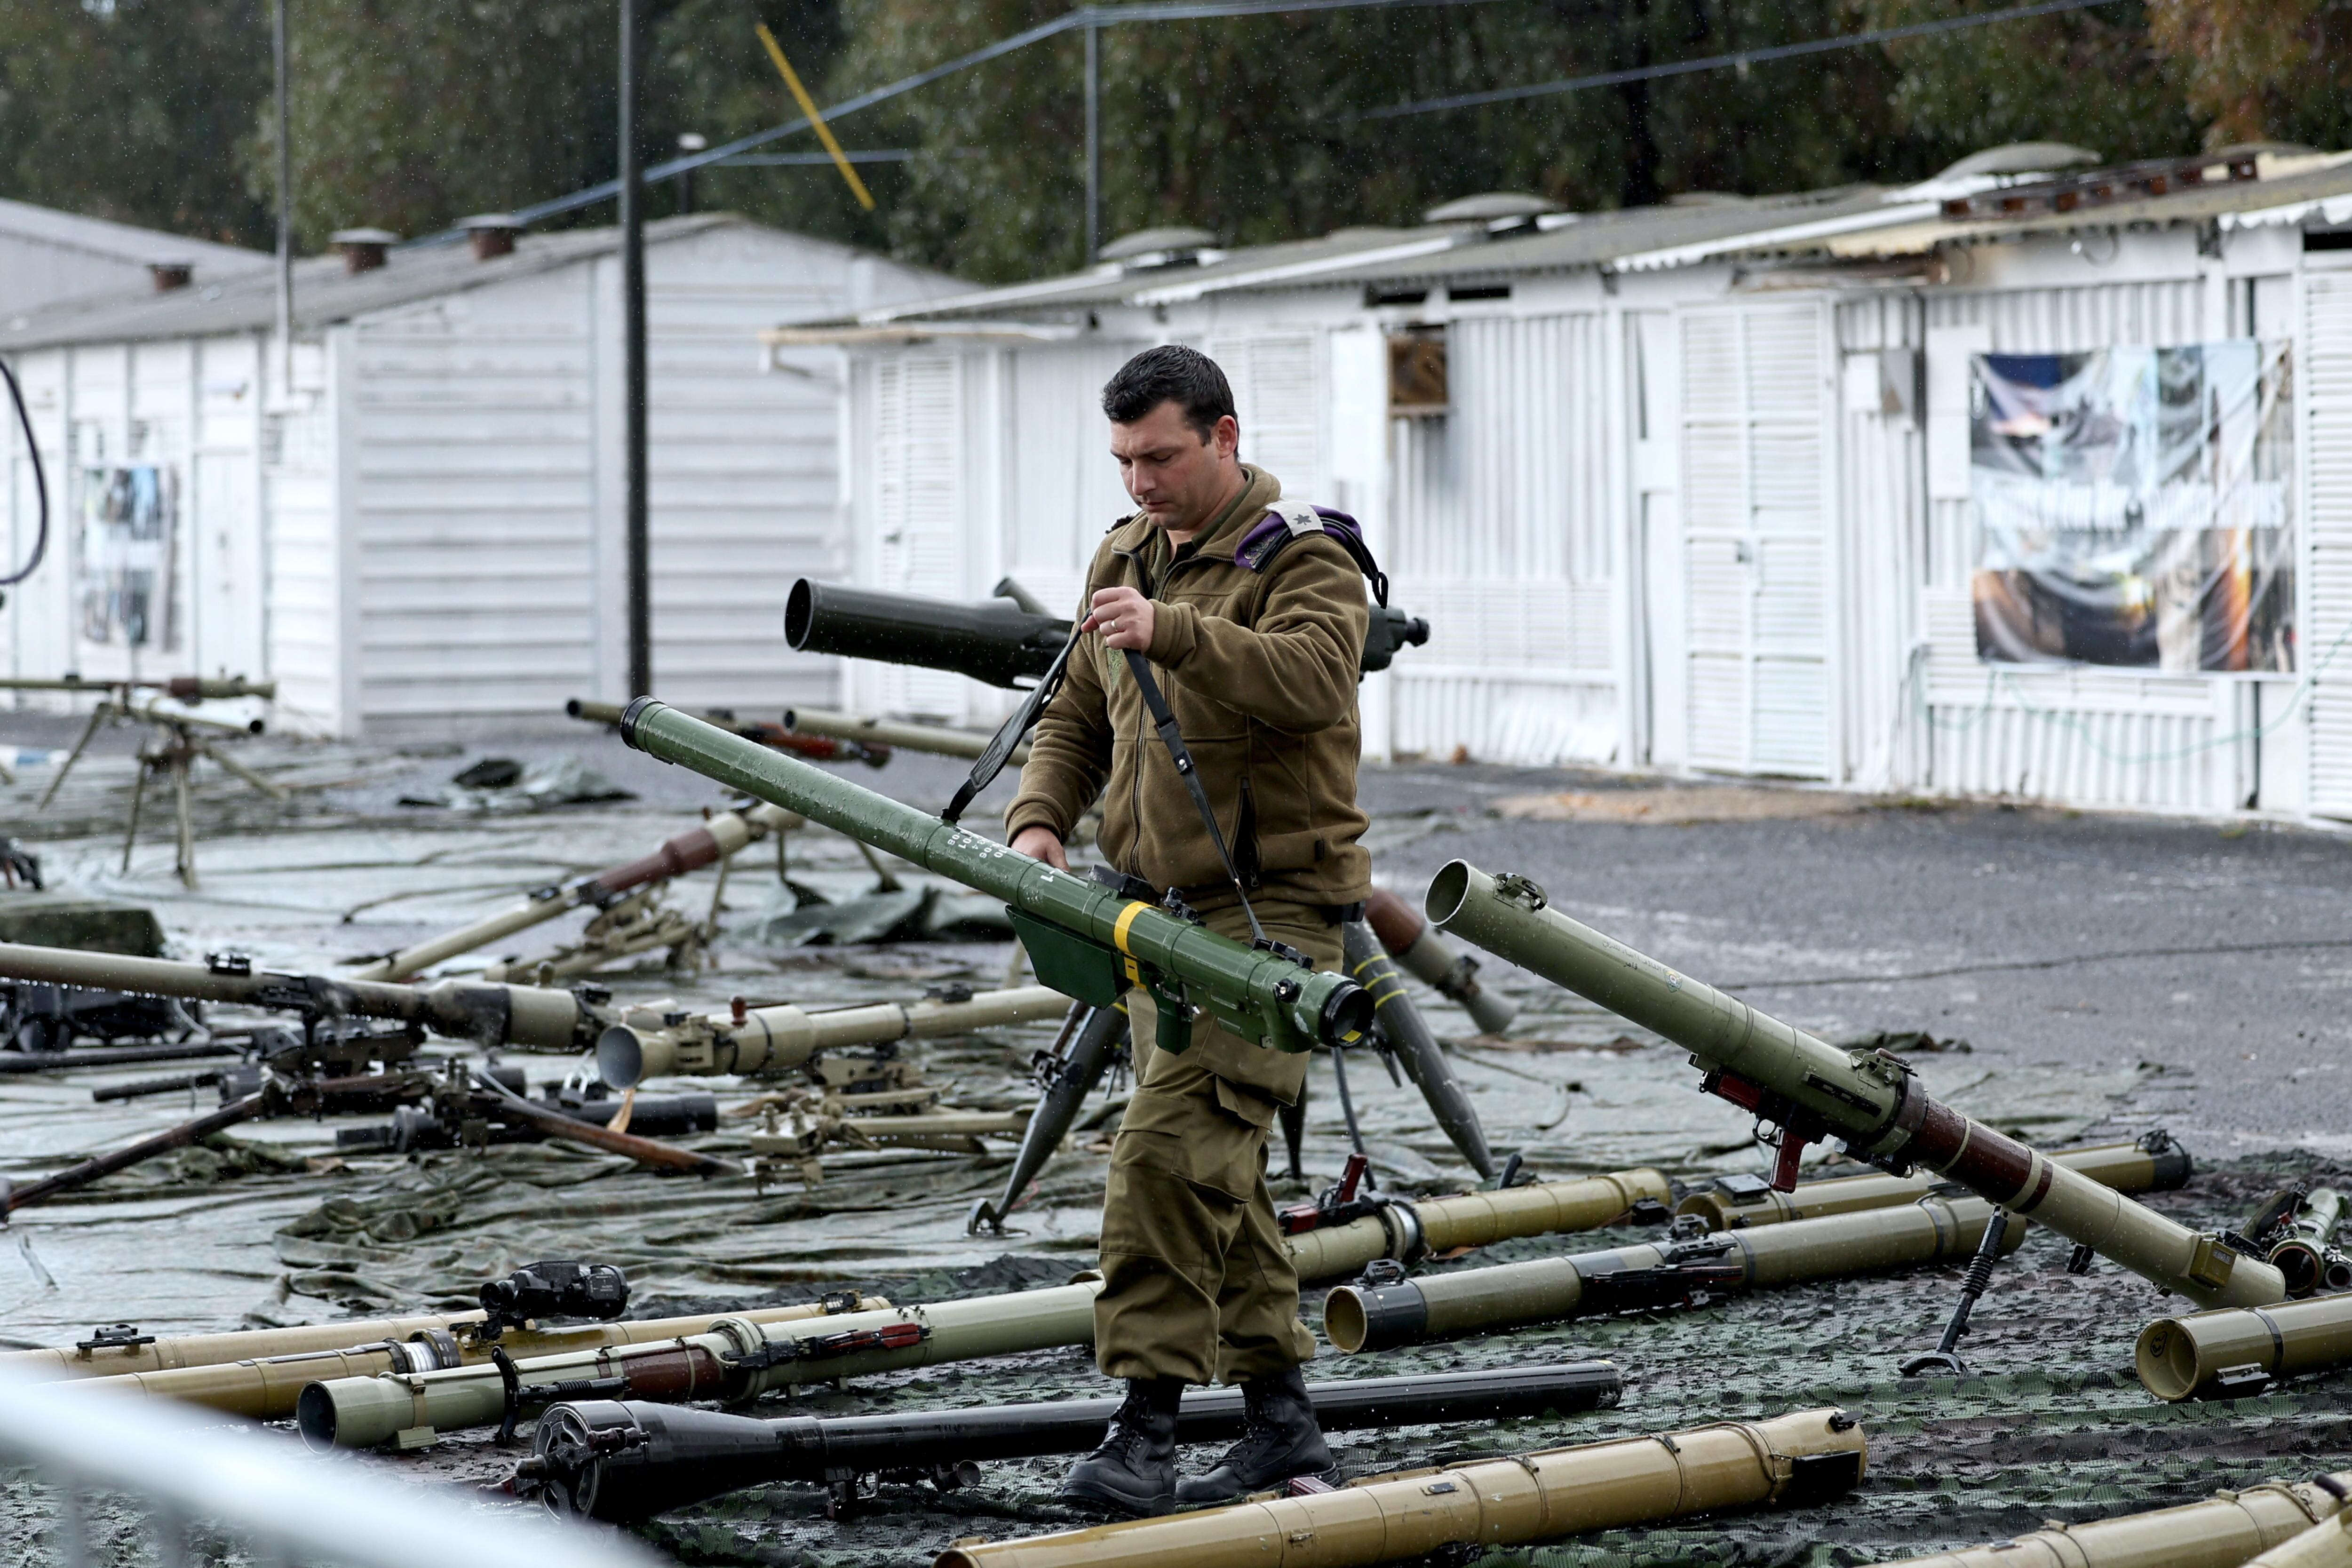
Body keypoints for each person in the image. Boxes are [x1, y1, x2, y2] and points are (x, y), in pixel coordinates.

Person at [1004, 344, 1372, 1515]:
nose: (1138, 481)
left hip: (1274, 925)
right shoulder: (1124, 555)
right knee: (1228, 1182)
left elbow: (1316, 677)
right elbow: (1074, 711)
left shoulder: (1304, 554)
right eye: (1121, 459)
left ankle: (1146, 1433)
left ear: (1223, 435)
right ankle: (1280, 1426)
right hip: (1159, 920)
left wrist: (1175, 632)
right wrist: (1036, 823)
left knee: (1165, 1158)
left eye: (1159, 455)